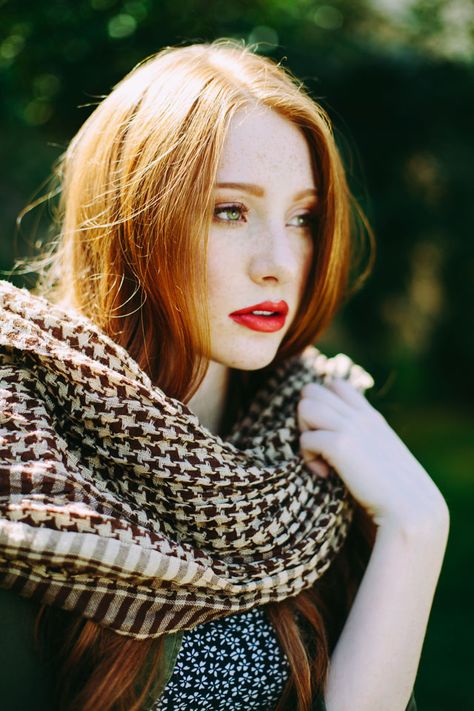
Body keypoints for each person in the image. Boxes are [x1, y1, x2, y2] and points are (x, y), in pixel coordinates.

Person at [0, 40, 449, 711]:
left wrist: (416, 527)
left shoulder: (320, 455)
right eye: (229, 210)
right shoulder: (23, 448)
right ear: (136, 219)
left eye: (303, 218)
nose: (279, 261)